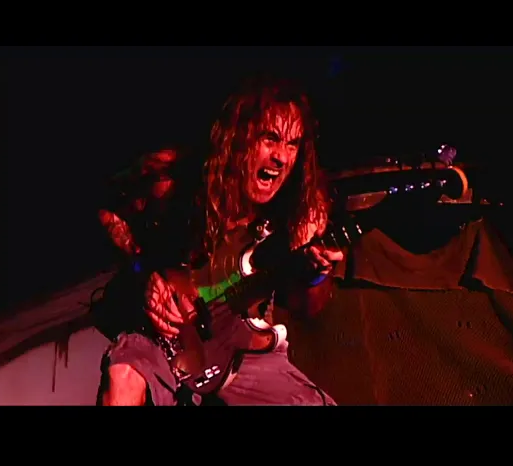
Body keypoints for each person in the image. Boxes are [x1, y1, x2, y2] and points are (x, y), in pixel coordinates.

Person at [95, 74, 344, 406]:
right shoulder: (178, 178)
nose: (282, 157)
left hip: (243, 355)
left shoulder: (301, 208)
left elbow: (305, 306)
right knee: (123, 380)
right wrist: (145, 272)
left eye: (292, 144)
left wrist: (316, 273)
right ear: (238, 136)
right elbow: (106, 208)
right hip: (163, 339)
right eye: (270, 139)